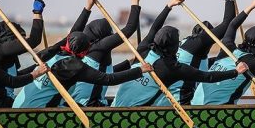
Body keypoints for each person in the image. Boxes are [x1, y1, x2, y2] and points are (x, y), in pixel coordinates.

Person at [111, 0, 248, 107]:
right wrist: (236, 72)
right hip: (173, 104)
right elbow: (208, 77)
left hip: (115, 106)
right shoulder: (171, 67)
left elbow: (154, 29)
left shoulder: (143, 49)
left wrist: (168, 6)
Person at [12, 31, 153, 108]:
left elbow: (107, 73)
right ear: (85, 53)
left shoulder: (48, 55)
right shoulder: (75, 66)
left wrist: (87, 7)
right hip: (36, 111)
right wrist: (140, 70)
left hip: (17, 106)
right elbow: (108, 79)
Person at [69, 0, 142, 106]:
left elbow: (105, 73)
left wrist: (88, 7)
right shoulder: (99, 49)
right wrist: (135, 1)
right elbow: (129, 29)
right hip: (89, 107)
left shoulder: (83, 51)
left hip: (77, 104)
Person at [167, 0, 238, 105]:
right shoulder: (200, 42)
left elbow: (203, 64)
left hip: (169, 98)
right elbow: (227, 25)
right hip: (182, 103)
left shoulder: (185, 45)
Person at [0, 0, 46, 108]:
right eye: (20, 39)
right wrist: (37, 13)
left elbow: (14, 76)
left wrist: (38, 67)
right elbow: (34, 40)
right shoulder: (2, 50)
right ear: (12, 38)